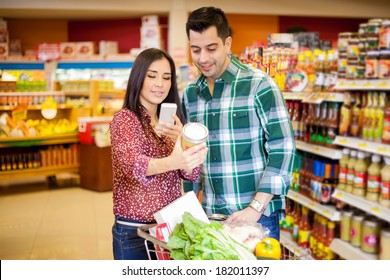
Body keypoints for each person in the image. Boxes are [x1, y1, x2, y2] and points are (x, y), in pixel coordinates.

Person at [182, 7, 296, 240]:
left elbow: (283, 147)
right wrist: (189, 208)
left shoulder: (259, 85)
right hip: (210, 218)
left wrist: (255, 208)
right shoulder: (190, 94)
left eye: (211, 48)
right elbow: (189, 157)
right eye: (196, 50)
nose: (203, 58)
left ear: (227, 44)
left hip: (256, 218)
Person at [110, 48, 208, 260]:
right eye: (152, 76)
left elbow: (191, 175)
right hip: (135, 231)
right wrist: (173, 161)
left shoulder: (172, 122)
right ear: (138, 78)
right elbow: (132, 166)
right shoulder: (125, 120)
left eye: (166, 78)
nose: (160, 84)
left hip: (170, 229)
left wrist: (184, 143)